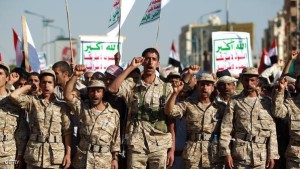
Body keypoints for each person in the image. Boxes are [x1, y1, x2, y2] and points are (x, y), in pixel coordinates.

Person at [108, 48, 173, 169]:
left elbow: (170, 120)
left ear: (158, 63)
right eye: (147, 59)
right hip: (136, 143)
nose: (150, 62)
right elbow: (112, 89)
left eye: (154, 59)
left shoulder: (166, 88)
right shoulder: (132, 84)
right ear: (142, 62)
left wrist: (172, 149)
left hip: (159, 143)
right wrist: (131, 67)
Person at [10, 68, 72, 169]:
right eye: (43, 82)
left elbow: (67, 131)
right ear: (40, 84)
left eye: (50, 82)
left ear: (54, 84)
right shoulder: (32, 101)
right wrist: (29, 86)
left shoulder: (62, 106)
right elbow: (13, 95)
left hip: (54, 157)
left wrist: (68, 155)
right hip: (34, 155)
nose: (46, 85)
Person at [220, 67, 279, 169]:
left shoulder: (266, 102)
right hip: (240, 157)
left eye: (252, 80)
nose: (249, 83)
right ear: (241, 80)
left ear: (257, 81)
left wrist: (272, 154)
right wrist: (226, 153)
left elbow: (272, 131)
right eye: (246, 80)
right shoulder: (234, 102)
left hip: (261, 156)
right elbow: (226, 129)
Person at [165, 68, 224, 169]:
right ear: (197, 86)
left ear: (213, 88)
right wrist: (174, 93)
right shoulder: (188, 104)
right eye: (202, 84)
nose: (205, 88)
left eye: (208, 84)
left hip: (213, 153)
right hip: (193, 153)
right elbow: (169, 112)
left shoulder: (220, 107)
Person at [64, 65, 120, 169]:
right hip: (83, 160)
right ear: (88, 93)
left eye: (98, 91)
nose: (95, 94)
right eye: (92, 91)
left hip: (104, 162)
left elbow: (115, 141)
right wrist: (75, 76)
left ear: (103, 93)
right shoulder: (82, 108)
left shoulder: (113, 114)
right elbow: (67, 95)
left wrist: (115, 159)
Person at [272, 75, 300, 168]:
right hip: (295, 156)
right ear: (296, 85)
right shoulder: (291, 102)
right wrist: (281, 91)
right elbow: (278, 112)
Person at [0, 62, 23, 169]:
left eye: (0, 74)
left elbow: (21, 130)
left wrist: (20, 154)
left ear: (7, 78)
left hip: (8, 154)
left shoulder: (14, 101)